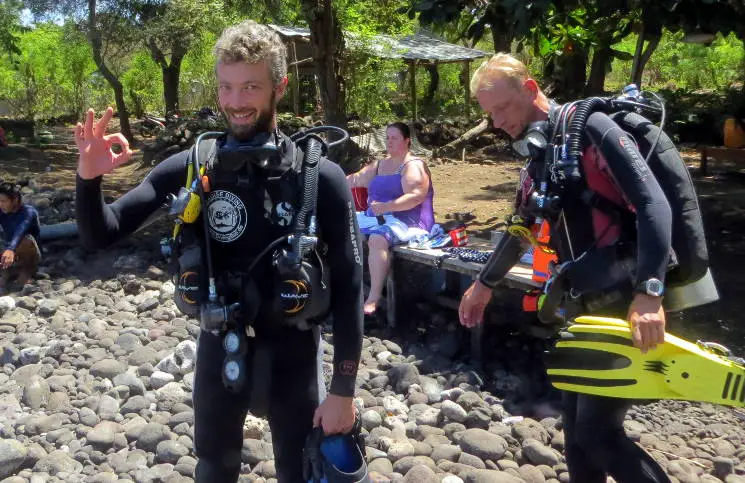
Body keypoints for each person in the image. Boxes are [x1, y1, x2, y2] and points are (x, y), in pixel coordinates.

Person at [74, 20, 364, 482]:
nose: (235, 102)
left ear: (279, 87)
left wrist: (343, 390)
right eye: (227, 87)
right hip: (217, 345)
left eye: (250, 87)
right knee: (213, 469)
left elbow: (350, 287)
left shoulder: (318, 177)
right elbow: (100, 234)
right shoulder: (193, 167)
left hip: (292, 356)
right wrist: (89, 178)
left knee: (300, 472)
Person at [459, 53, 673, 483]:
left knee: (597, 432)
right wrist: (484, 283)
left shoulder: (592, 130)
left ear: (532, 89)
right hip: (584, 303)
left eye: (502, 108)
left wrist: (649, 292)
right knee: (576, 432)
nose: (497, 122)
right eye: (489, 114)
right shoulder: (542, 154)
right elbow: (521, 226)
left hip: (623, 301)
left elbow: (654, 204)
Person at [346, 122, 434, 315]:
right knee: (340, 226)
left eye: (394, 138)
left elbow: (416, 196)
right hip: (378, 217)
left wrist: (387, 207)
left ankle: (374, 297)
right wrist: (329, 181)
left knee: (377, 238)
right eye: (387, 137)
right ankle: (342, 289)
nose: (389, 141)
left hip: (409, 222)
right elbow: (355, 179)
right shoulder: (379, 165)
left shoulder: (413, 165)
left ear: (407, 141)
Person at [0, 181, 41, 292]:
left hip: (27, 253)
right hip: (9, 250)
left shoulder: (28, 212)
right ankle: (7, 271)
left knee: (26, 240)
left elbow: (21, 230)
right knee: (3, 282)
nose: (1, 204)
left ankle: (27, 270)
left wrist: (10, 249)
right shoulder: (2, 211)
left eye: (4, 201)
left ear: (15, 200)